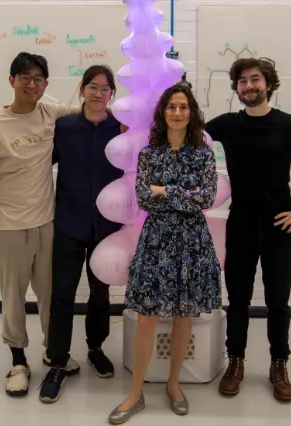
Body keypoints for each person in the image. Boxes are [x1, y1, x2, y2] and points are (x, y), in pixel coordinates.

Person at [204, 57, 291, 401]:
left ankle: (279, 364)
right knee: (238, 300)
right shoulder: (228, 125)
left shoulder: (289, 126)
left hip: (279, 228)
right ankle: (236, 362)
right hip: (241, 225)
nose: (249, 86)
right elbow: (188, 131)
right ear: (237, 89)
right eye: (243, 81)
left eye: (255, 79)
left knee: (278, 302)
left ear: (269, 84)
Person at [108, 82, 222, 425]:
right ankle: (135, 391)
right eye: (171, 106)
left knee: (184, 313)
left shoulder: (203, 153)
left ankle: (174, 385)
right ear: (163, 112)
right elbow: (144, 197)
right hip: (156, 240)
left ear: (192, 112)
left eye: (183, 107)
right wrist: (183, 192)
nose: (177, 112)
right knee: (147, 315)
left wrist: (165, 190)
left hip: (191, 243)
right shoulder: (148, 153)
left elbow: (208, 198)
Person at [0, 52, 82, 397]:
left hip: (46, 224)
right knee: (13, 298)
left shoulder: (50, 113)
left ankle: (54, 352)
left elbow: (90, 112)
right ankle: (18, 360)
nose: (31, 85)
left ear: (46, 84)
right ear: (11, 81)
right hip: (8, 227)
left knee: (50, 295)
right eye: (24, 78)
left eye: (38, 79)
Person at [38, 65, 124, 403]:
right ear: (82, 89)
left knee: (100, 295)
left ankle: (95, 347)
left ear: (111, 94)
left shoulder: (121, 128)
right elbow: (41, 165)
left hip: (107, 226)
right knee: (62, 294)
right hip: (69, 224)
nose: (99, 93)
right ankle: (57, 361)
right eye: (93, 86)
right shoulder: (65, 127)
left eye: (105, 88)